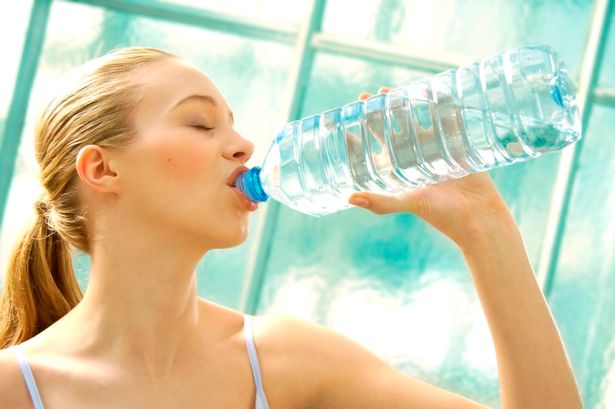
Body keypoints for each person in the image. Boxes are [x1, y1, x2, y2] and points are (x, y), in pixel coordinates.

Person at [0, 47, 582, 408]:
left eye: (230, 123)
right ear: (103, 168)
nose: (244, 143)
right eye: (201, 123)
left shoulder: (282, 361)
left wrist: (485, 226)